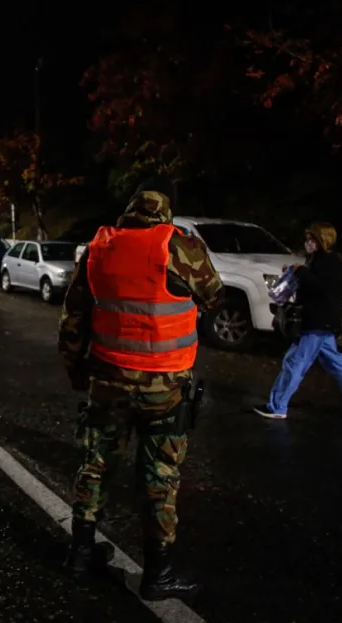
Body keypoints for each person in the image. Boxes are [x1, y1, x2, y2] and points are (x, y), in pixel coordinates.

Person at [59, 179, 224, 601]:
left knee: (95, 465)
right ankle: (159, 573)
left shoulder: (100, 247)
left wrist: (77, 371)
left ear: (129, 214)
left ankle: (79, 554)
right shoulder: (178, 246)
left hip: (108, 380)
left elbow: (74, 317)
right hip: (164, 386)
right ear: (164, 217)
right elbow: (214, 295)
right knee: (160, 476)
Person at [254, 223, 342, 422]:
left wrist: (300, 271)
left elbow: (320, 287)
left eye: (312, 239)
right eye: (308, 238)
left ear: (322, 240)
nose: (308, 243)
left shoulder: (328, 262)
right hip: (324, 323)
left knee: (295, 363)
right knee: (336, 365)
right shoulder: (321, 260)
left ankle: (277, 406)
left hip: (317, 322)